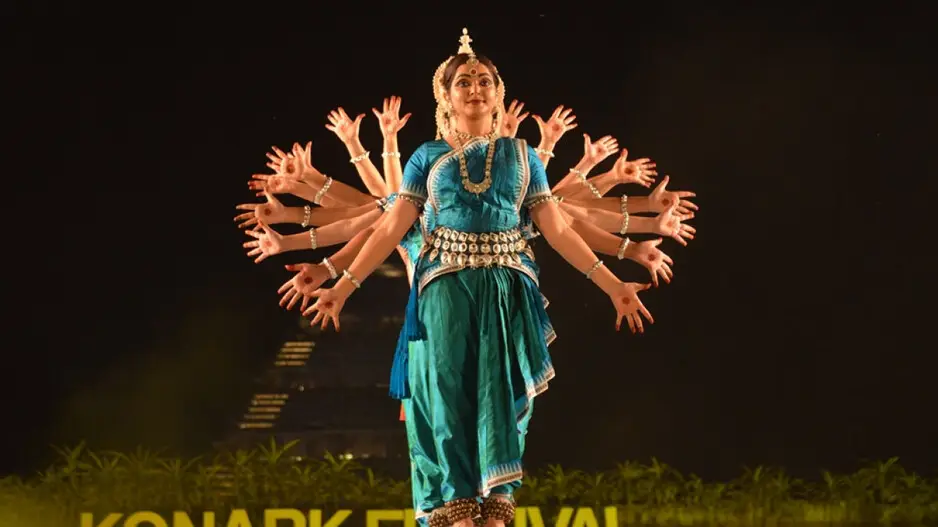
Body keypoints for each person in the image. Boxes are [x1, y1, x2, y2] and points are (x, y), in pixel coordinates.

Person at [302, 29, 678, 527]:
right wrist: (342, 286)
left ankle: (496, 510)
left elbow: (560, 227)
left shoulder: (524, 158)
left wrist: (613, 284)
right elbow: (390, 224)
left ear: (498, 93)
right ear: (446, 95)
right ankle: (457, 512)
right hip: (444, 289)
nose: (474, 88)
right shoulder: (425, 157)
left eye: (484, 80)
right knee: (448, 395)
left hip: (507, 290)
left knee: (501, 398)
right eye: (463, 82)